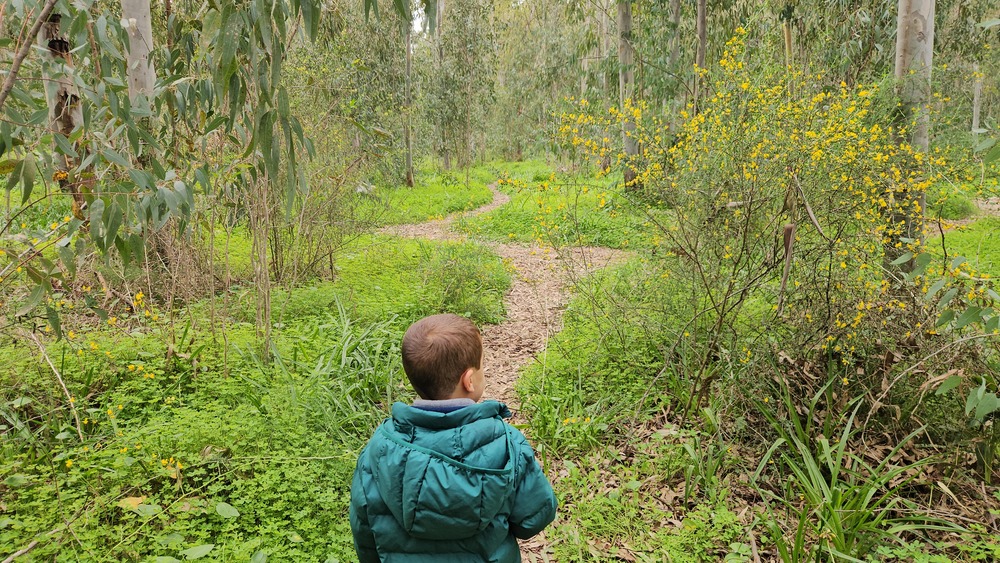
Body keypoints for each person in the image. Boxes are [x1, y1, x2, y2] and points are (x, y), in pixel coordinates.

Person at [350, 313, 557, 562]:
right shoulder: (507, 444)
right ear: (469, 380)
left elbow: (364, 533)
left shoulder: (379, 450)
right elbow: (532, 520)